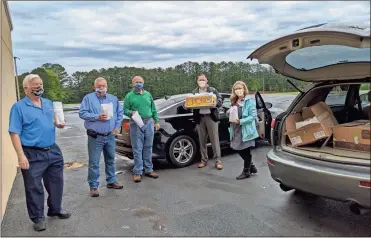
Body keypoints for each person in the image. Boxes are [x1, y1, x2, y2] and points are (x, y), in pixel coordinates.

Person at [8, 74, 71, 232]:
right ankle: (38, 218)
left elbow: (48, 121)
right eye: (35, 85)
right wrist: (20, 155)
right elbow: (14, 132)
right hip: (32, 153)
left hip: (52, 149)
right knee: (33, 187)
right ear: (26, 88)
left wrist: (58, 124)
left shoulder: (48, 103)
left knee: (56, 182)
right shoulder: (19, 107)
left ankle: (55, 209)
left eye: (40, 84)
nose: (39, 87)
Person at [79, 77, 124, 197]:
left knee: (110, 159)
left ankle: (111, 180)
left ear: (107, 86)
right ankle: (93, 186)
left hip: (110, 136)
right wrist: (97, 116)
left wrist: (117, 126)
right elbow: (82, 113)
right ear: (94, 87)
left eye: (103, 85)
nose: (101, 88)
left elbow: (120, 113)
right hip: (95, 137)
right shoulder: (88, 98)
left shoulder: (113, 99)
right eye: (99, 86)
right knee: (94, 162)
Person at [123, 76, 160, 183]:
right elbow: (125, 110)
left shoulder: (148, 94)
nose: (138, 83)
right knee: (137, 149)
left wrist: (156, 121)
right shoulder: (129, 96)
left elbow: (153, 109)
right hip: (136, 123)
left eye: (140, 82)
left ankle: (149, 169)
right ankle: (137, 172)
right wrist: (131, 112)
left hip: (149, 122)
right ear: (132, 83)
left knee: (148, 147)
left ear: (143, 83)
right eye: (136, 82)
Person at [228, 81, 259, 180]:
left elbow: (253, 116)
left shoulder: (249, 101)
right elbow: (232, 111)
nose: (238, 91)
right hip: (236, 129)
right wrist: (229, 112)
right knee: (236, 148)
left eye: (240, 88)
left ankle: (246, 172)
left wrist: (241, 121)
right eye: (236, 89)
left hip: (246, 130)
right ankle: (252, 166)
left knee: (245, 151)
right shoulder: (234, 100)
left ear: (244, 89)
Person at [192, 73, 223, 170]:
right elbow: (190, 103)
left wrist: (216, 103)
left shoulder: (212, 90)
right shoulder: (194, 92)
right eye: (199, 80)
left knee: (214, 140)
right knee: (202, 141)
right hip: (200, 118)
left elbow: (220, 100)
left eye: (203, 80)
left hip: (211, 117)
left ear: (207, 81)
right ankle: (204, 160)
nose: (201, 81)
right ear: (197, 81)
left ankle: (218, 161)